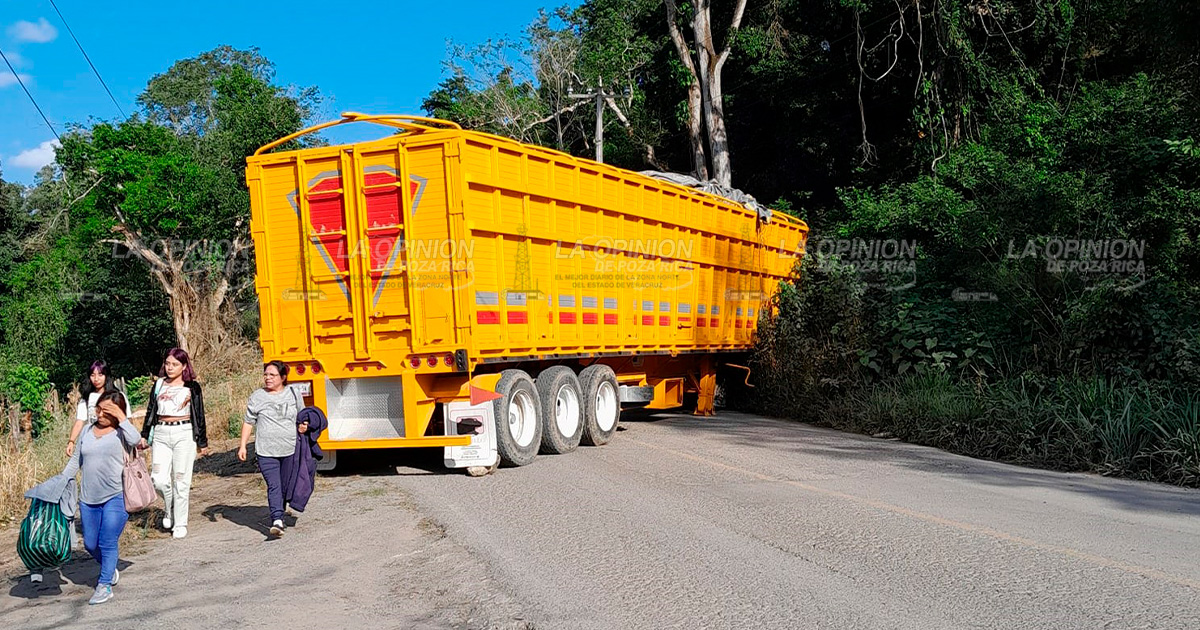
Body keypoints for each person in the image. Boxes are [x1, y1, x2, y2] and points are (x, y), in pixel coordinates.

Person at [60, 391, 146, 605]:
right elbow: (75, 461)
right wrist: (60, 482)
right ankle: (110, 566)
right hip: (88, 498)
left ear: (117, 413)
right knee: (90, 543)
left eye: (106, 411)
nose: (100, 414)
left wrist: (121, 416)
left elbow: (136, 440)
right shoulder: (87, 431)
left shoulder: (122, 433)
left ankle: (104, 584)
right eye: (98, 409)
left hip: (116, 496)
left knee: (107, 541)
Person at [140, 348, 208, 539]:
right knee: (158, 479)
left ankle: (180, 522)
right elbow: (150, 411)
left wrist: (202, 441)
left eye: (175, 364)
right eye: (167, 363)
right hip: (161, 432)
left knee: (181, 480)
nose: (170, 368)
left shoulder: (192, 387)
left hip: (184, 432)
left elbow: (199, 415)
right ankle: (169, 507)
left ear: (184, 366)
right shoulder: (159, 384)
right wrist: (145, 434)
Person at [239, 361, 305, 537]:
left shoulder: (293, 393)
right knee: (274, 485)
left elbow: (302, 416)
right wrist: (243, 445)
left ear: (283, 377)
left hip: (289, 448)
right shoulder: (257, 396)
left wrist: (304, 426)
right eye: (266, 375)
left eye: (272, 375)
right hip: (266, 451)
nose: (268, 378)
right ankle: (276, 519)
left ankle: (280, 512)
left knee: (284, 485)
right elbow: (248, 421)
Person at [67, 360, 132, 457]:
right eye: (92, 375)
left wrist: (128, 443)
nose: (96, 379)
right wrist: (71, 441)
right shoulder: (86, 398)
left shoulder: (118, 396)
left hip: (115, 442)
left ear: (107, 376)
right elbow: (80, 421)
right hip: (93, 442)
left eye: (100, 375)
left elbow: (128, 420)